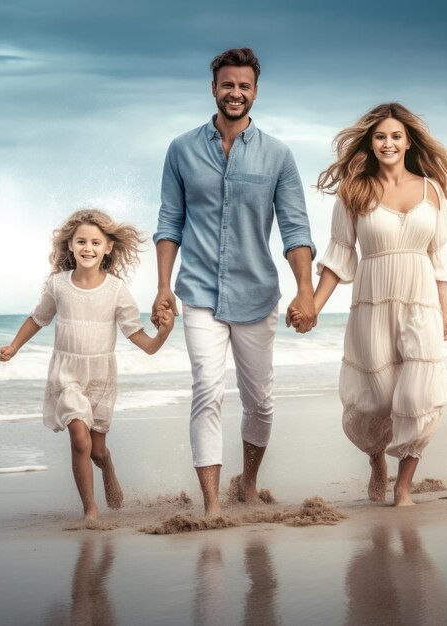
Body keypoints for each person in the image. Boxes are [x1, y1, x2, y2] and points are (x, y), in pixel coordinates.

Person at [152, 47, 316, 516]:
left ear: (255, 92)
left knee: (259, 401)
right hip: (199, 290)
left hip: (256, 293)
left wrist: (305, 291)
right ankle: (211, 504)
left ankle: (248, 482)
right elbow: (169, 221)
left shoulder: (278, 156)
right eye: (228, 85)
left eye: (244, 86)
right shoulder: (181, 149)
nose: (236, 93)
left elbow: (295, 229)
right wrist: (164, 285)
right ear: (214, 89)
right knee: (206, 387)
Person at [292, 103, 447, 505]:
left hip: (420, 301)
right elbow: (339, 256)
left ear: (408, 141)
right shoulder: (355, 191)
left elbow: (438, 257)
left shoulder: (431, 190)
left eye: (396, 136)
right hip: (372, 303)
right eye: (381, 136)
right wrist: (311, 304)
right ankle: (376, 458)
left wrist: (446, 309)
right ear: (371, 141)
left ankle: (403, 488)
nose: (388, 142)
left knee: (417, 396)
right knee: (380, 399)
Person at [0, 209, 174, 522]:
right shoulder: (58, 285)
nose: (87, 247)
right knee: (80, 437)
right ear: (70, 246)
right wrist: (14, 346)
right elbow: (38, 318)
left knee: (97, 450)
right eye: (81, 241)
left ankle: (108, 467)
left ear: (108, 247)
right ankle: (90, 510)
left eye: (95, 242)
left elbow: (143, 342)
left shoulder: (117, 290)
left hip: (102, 378)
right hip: (66, 374)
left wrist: (164, 332)